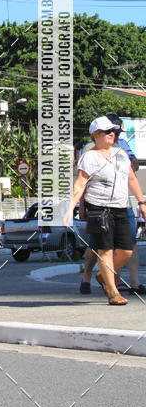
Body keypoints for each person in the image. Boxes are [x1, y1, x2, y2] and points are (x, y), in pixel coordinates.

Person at [64, 116, 146, 305]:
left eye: (114, 132)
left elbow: (131, 179)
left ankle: (103, 275)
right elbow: (80, 184)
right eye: (108, 132)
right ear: (96, 134)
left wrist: (141, 201)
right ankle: (113, 292)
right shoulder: (89, 156)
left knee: (126, 250)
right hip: (98, 208)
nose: (112, 135)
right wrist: (70, 209)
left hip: (121, 206)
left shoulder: (120, 153)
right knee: (105, 250)